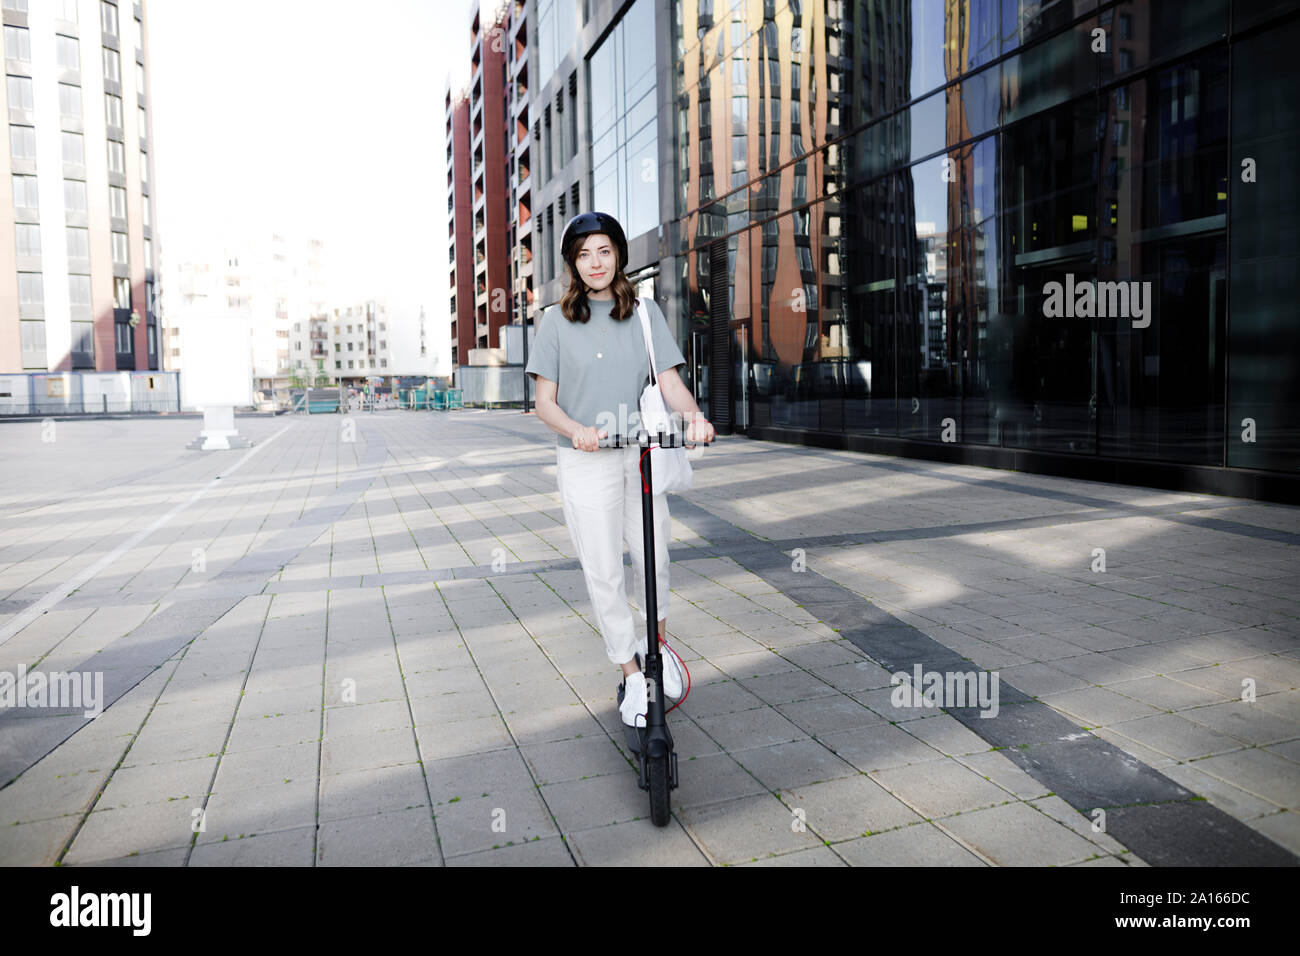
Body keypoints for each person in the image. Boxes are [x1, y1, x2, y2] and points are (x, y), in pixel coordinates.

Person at [525, 211, 716, 728]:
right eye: (584, 254)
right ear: (572, 263)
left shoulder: (645, 313)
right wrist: (575, 430)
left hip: (641, 453)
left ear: (618, 257)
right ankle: (633, 673)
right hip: (586, 461)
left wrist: (694, 417)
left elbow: (670, 383)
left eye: (604, 251)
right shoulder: (555, 322)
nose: (595, 262)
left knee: (654, 556)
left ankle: (657, 647)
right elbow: (545, 402)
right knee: (604, 570)